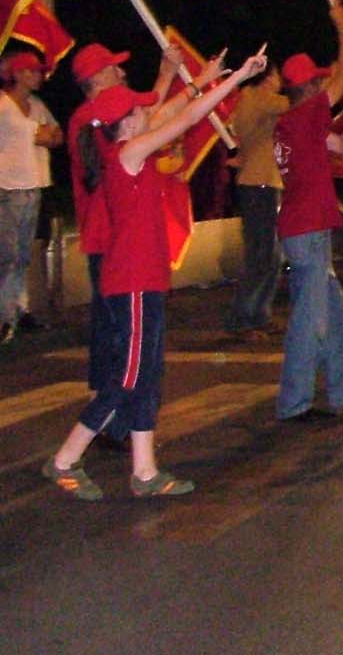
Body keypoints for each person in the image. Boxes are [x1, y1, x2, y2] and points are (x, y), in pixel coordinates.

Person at [42, 48, 267, 500]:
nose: (147, 110)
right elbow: (183, 119)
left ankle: (144, 471)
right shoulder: (127, 154)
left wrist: (202, 80)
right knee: (126, 377)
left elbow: (172, 111)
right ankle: (65, 459)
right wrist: (237, 77)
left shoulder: (125, 148)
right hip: (132, 282)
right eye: (138, 109)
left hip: (142, 280)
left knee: (145, 374)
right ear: (123, 124)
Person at [66, 41, 182, 444]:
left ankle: (127, 434)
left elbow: (146, 118)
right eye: (114, 69)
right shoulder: (93, 121)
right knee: (129, 350)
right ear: (98, 79)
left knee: (122, 344)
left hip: (113, 245)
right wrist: (178, 79)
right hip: (116, 247)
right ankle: (102, 433)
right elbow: (149, 122)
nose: (121, 73)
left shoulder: (94, 120)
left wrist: (179, 79)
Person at [272, 4, 343, 422]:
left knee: (330, 313)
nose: (325, 84)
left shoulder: (299, 125)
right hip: (308, 229)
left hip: (306, 229)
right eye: (319, 80)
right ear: (311, 86)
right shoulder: (304, 116)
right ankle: (295, 403)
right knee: (310, 321)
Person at [222, 52, 289, 342]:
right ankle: (244, 318)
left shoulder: (250, 98)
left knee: (269, 255)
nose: (282, 81)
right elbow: (295, 104)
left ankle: (257, 315)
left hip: (259, 182)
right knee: (262, 255)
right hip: (259, 184)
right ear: (268, 76)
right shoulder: (260, 97)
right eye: (278, 75)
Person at [0, 52, 63, 344]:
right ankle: (5, 314)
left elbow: (56, 135)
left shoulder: (36, 104)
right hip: (7, 188)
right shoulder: (3, 105)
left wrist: (44, 134)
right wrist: (42, 134)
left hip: (32, 185)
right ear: (20, 74)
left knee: (23, 254)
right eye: (34, 71)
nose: (40, 76)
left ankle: (17, 309)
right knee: (7, 254)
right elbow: (42, 135)